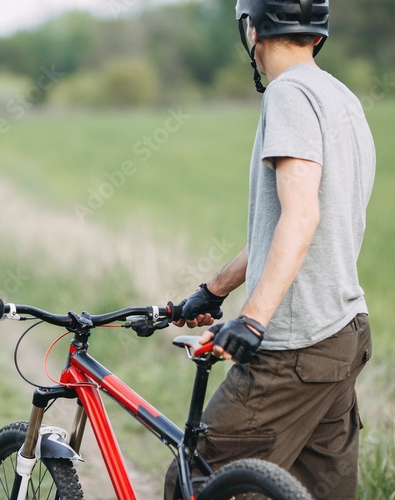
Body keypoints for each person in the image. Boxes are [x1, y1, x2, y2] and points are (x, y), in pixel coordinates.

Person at [164, 0, 376, 498]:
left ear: (252, 29)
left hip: (292, 347)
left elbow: (301, 218)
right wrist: (213, 291)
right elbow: (283, 227)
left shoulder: (288, 94)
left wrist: (254, 318)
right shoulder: (341, 96)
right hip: (343, 333)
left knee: (194, 483)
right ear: (317, 33)